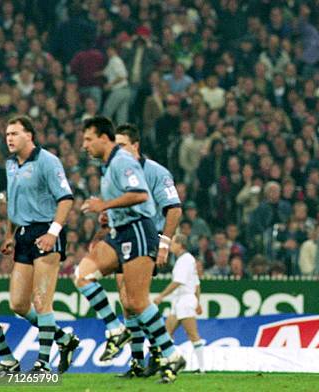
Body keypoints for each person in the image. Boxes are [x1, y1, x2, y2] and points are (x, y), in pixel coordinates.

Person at [74, 116, 184, 383]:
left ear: (104, 138)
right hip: (120, 232)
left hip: (138, 230)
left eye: (88, 139)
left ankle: (169, 354)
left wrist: (105, 205)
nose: (84, 145)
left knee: (135, 301)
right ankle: (116, 330)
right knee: (83, 275)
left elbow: (140, 195)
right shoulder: (109, 165)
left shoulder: (124, 161)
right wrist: (106, 220)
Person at [0, 115, 79, 373]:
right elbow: (13, 202)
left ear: (29, 136)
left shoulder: (48, 161)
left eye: (14, 133)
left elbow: (66, 198)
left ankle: (43, 364)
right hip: (22, 234)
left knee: (42, 300)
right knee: (19, 304)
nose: (9, 138)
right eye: (7, 134)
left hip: (45, 230)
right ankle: (64, 340)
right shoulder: (10, 164)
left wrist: (54, 232)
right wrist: (10, 235)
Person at [114, 123, 183, 378]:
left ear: (135, 145)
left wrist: (164, 244)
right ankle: (139, 360)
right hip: (122, 238)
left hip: (146, 239)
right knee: (127, 303)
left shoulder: (156, 172)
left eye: (122, 145)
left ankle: (161, 352)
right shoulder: (115, 172)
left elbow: (174, 208)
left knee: (136, 299)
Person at [154, 234, 204, 373]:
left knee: (192, 334)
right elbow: (197, 284)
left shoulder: (184, 260)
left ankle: (202, 368)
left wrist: (161, 296)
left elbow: (178, 282)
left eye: (173, 243)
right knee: (166, 332)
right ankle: (167, 363)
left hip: (185, 301)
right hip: (182, 301)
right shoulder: (187, 260)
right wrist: (198, 302)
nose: (170, 247)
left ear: (180, 245)